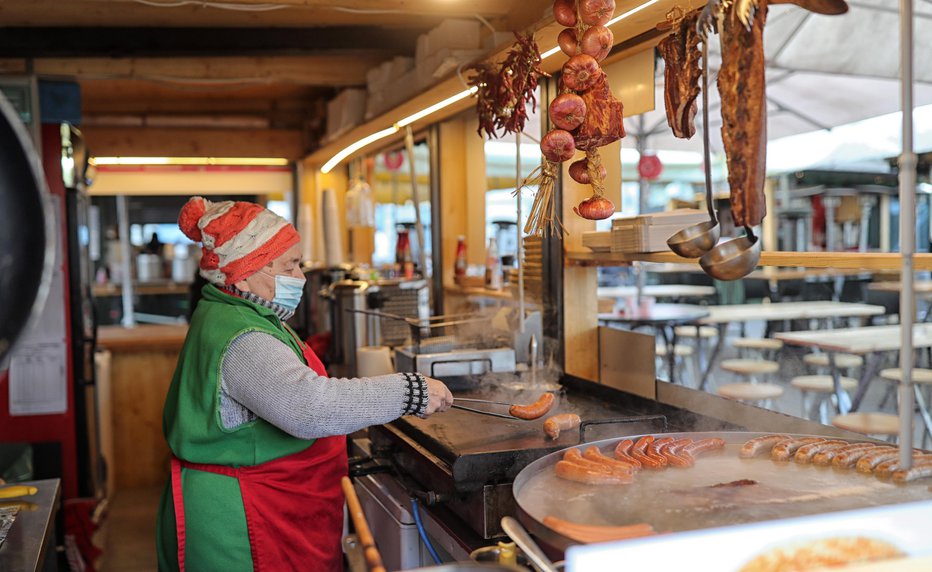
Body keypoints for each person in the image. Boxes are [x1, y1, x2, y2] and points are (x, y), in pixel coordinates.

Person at [156, 197, 453, 571]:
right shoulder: (243, 337)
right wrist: (410, 391)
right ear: (245, 271)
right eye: (290, 266)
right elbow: (310, 407)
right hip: (242, 521)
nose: (301, 278)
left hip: (259, 504)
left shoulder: (235, 311)